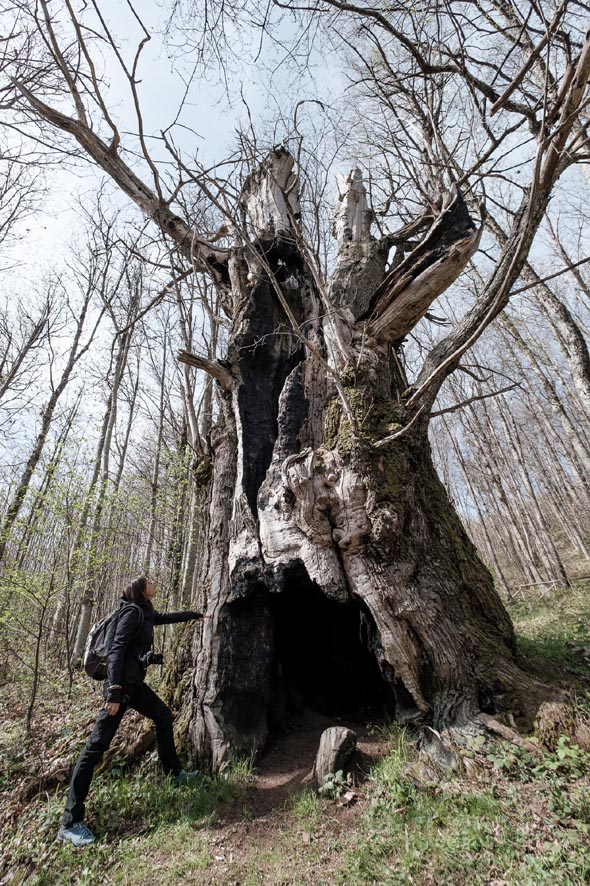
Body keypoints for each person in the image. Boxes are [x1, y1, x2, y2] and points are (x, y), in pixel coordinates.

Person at [57, 576, 203, 847]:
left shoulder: (145, 613)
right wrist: (113, 692)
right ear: (142, 590)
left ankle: (174, 775)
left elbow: (166, 618)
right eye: (151, 582)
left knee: (163, 716)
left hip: (134, 687)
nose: (155, 583)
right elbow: (116, 650)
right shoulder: (131, 613)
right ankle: (70, 823)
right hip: (120, 689)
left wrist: (195, 614)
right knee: (95, 748)